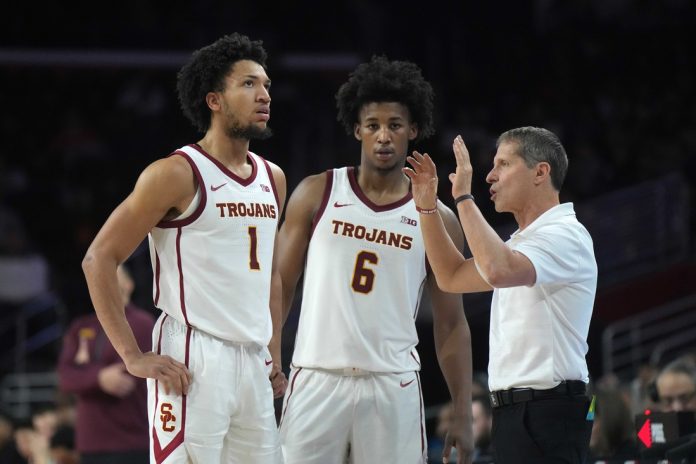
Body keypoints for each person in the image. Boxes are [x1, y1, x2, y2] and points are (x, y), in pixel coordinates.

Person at [81, 33, 287, 463]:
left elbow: (269, 274)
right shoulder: (176, 173)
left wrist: (274, 354)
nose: (264, 95)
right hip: (194, 354)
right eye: (249, 84)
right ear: (215, 100)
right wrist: (132, 356)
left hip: (254, 358)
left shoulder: (274, 177)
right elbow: (99, 258)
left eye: (266, 85)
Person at [277, 56, 473, 464]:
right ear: (357, 130)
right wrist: (269, 355)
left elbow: (451, 323)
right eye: (373, 126)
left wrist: (462, 409)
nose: (384, 136)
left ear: (413, 130)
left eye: (395, 125)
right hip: (316, 376)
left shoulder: (438, 218)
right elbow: (280, 284)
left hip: (392, 383)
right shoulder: (316, 192)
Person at [404, 126, 597, 463]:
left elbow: (497, 269)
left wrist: (463, 198)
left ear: (540, 172)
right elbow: (451, 276)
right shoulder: (523, 243)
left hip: (549, 410)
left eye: (503, 164)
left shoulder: (566, 235)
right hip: (516, 412)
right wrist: (427, 208)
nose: (490, 176)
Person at [57, 265, 154, 463]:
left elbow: (124, 379)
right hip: (90, 443)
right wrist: (99, 378)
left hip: (132, 442)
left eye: (112, 271)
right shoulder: (81, 326)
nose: (103, 277)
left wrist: (85, 376)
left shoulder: (143, 323)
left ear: (129, 284)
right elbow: (65, 377)